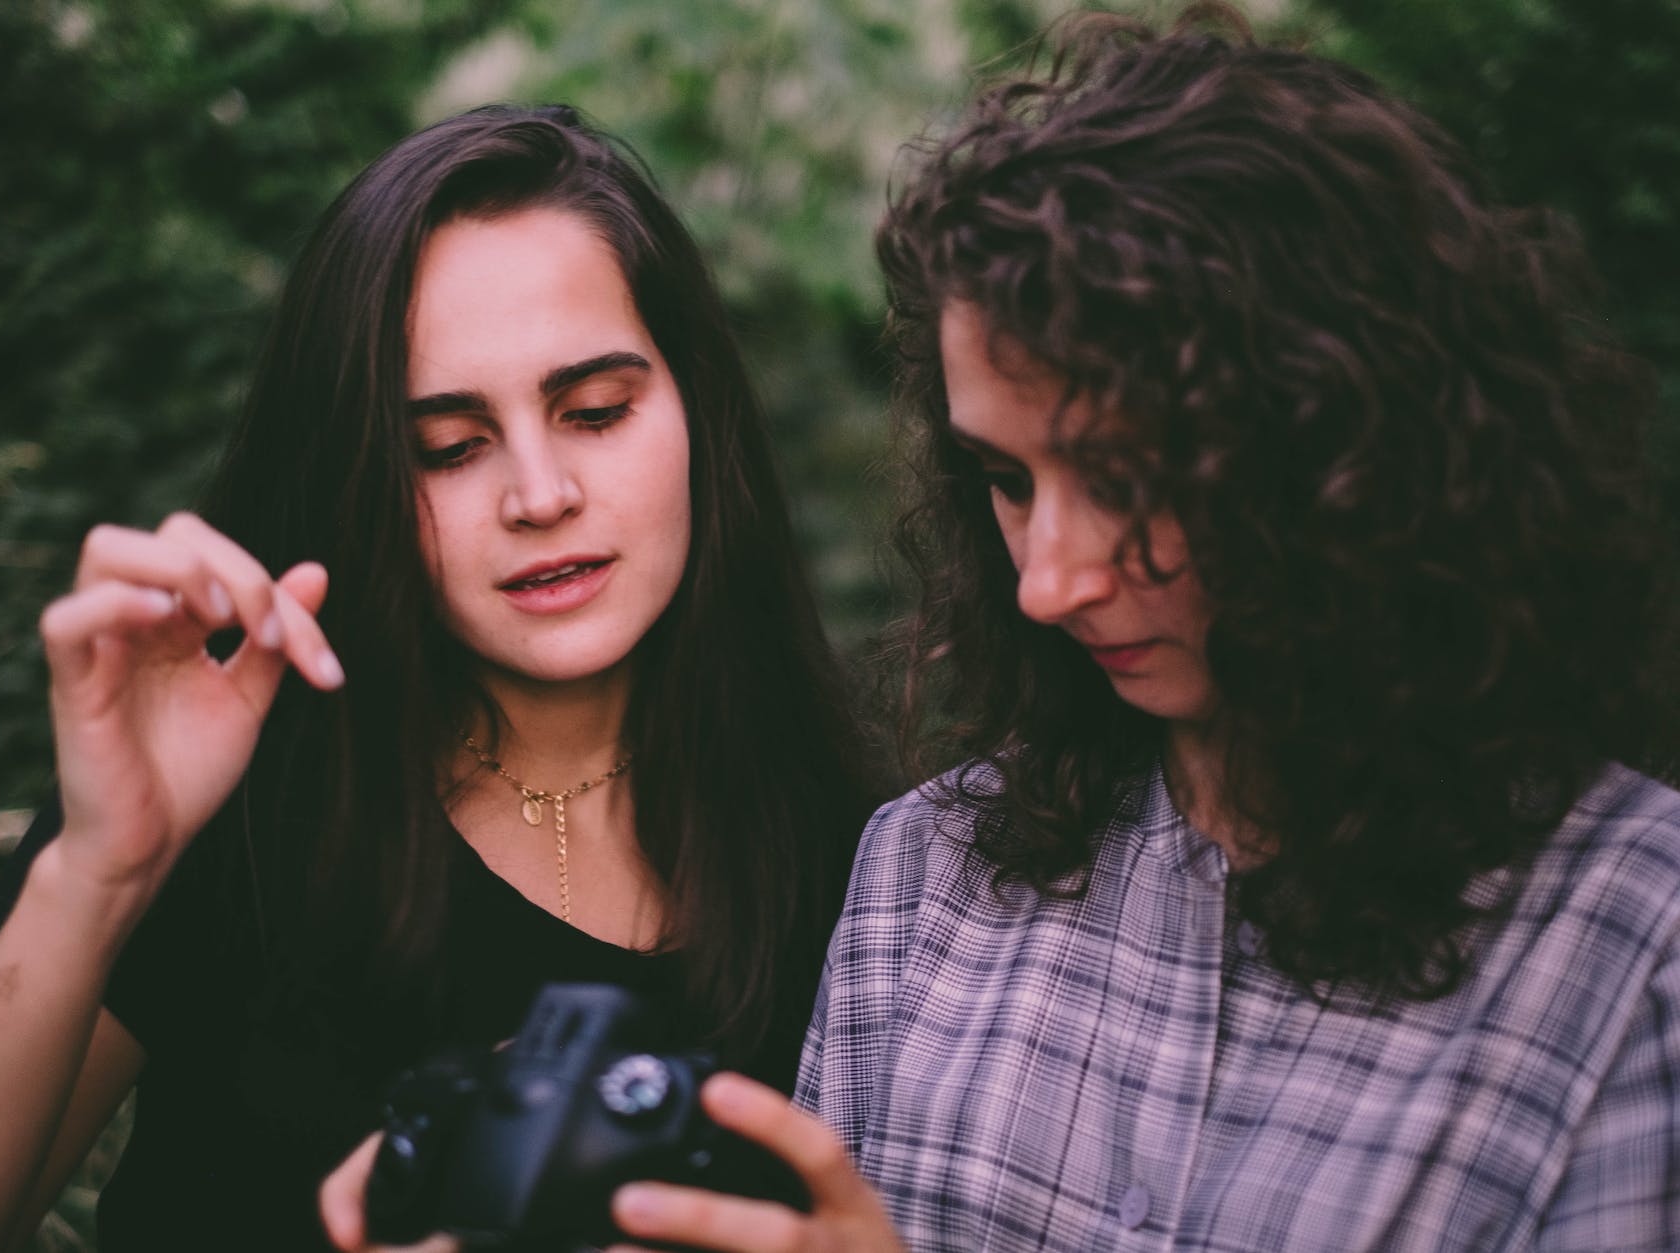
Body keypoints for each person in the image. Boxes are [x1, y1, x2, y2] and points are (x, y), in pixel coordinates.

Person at [511, 9, 1680, 1253]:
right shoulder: (926, 874)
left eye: (1125, 478)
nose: (1048, 583)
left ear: (1348, 458)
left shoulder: (1629, 950)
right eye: (1007, 481)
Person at [0, 104, 873, 1253]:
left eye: (595, 411)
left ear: (695, 407)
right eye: (448, 447)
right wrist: (98, 876)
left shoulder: (860, 848)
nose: (538, 491)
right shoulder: (241, 784)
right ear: (362, 470)